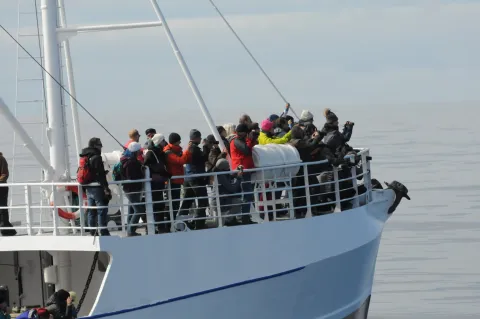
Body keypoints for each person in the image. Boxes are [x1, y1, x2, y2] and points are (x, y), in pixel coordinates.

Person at [79, 138, 112, 236]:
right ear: (95, 146)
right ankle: (103, 230)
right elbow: (100, 174)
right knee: (102, 209)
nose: (101, 148)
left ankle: (92, 230)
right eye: (99, 145)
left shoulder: (84, 156)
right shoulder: (97, 157)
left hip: (88, 187)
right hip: (97, 187)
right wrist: (106, 188)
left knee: (91, 210)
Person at [178, 129, 209, 230]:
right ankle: (199, 223)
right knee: (203, 201)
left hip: (188, 178)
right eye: (199, 137)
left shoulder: (189, 147)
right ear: (196, 138)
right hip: (196, 178)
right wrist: (206, 147)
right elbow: (203, 158)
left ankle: (181, 222)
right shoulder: (194, 149)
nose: (200, 139)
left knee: (187, 201)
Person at [144, 134, 172, 233]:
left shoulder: (160, 153)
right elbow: (145, 166)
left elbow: (162, 167)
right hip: (153, 184)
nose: (165, 142)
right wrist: (153, 175)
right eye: (163, 141)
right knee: (155, 205)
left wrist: (167, 174)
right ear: (159, 142)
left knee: (160, 204)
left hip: (160, 183)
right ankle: (153, 227)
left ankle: (160, 226)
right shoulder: (150, 153)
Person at [229, 123, 257, 224]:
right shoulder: (236, 141)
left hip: (244, 170)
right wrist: (249, 140)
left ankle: (244, 217)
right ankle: (244, 218)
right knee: (246, 195)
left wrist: (251, 140)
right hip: (241, 171)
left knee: (246, 194)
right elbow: (246, 150)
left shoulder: (239, 140)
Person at [120, 142, 146, 237]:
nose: (140, 152)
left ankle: (129, 229)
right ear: (136, 151)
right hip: (132, 190)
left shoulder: (125, 161)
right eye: (139, 151)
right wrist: (142, 171)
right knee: (139, 210)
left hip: (128, 189)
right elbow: (133, 176)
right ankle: (131, 231)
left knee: (131, 210)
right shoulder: (132, 163)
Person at [163, 133, 190, 215]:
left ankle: (171, 221)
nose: (180, 143)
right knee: (173, 203)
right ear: (175, 142)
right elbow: (180, 161)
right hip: (172, 181)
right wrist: (188, 150)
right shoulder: (168, 152)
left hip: (176, 179)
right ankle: (169, 222)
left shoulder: (175, 151)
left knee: (175, 202)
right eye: (179, 141)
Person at [213, 159, 243, 226]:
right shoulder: (220, 176)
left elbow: (230, 176)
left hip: (222, 199)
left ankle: (229, 220)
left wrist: (237, 169)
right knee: (239, 202)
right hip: (220, 201)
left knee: (237, 201)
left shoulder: (220, 173)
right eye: (228, 166)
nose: (229, 167)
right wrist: (239, 178)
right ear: (224, 168)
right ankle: (228, 219)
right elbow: (232, 189)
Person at [0, 152, 16, 236]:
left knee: (2, 209)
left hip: (1, 187)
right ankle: (8, 230)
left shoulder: (1, 159)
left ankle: (5, 230)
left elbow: (4, 174)